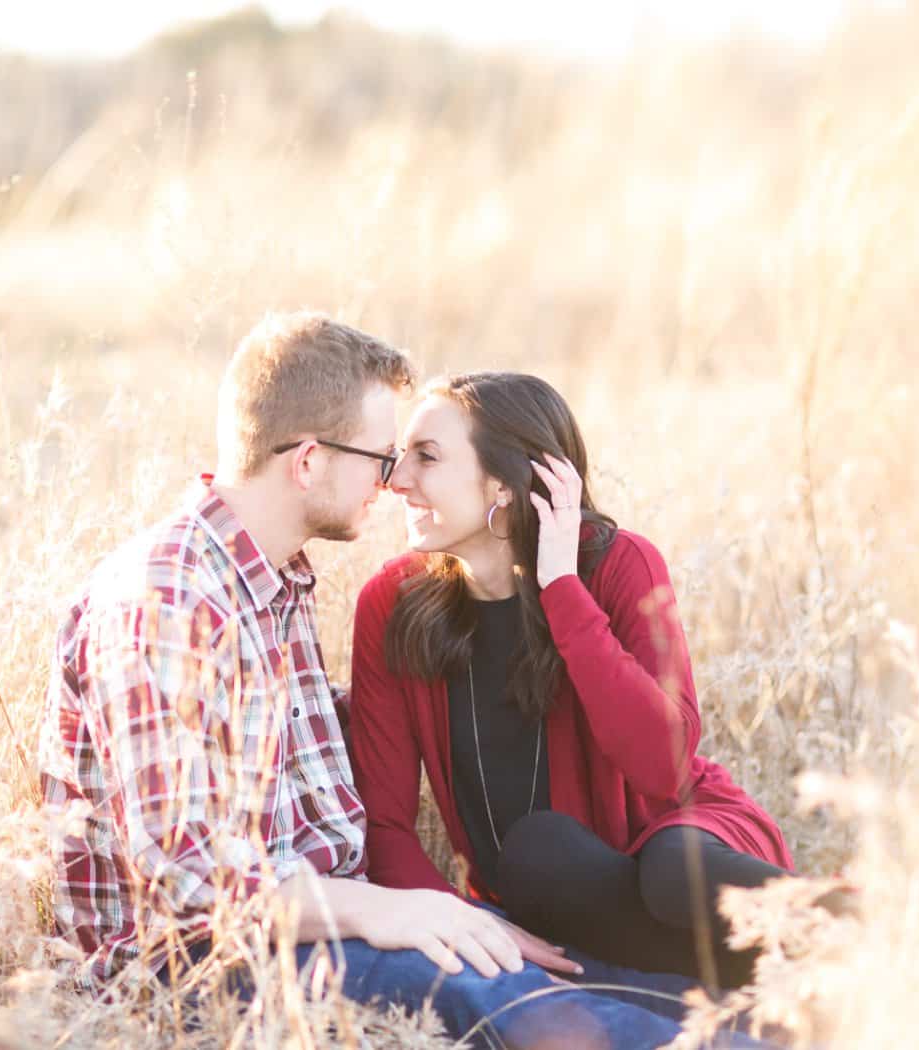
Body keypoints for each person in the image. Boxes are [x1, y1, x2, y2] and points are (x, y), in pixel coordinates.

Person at [39, 318, 769, 1048]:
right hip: (211, 967)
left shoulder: (272, 583)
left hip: (332, 922)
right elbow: (193, 884)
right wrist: (383, 911)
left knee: (638, 989)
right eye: (382, 458)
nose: (391, 482)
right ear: (309, 462)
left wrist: (420, 908)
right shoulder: (169, 600)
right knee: (536, 1006)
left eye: (409, 457)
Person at [348, 371, 797, 992]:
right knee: (537, 855)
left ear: (505, 483)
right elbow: (387, 827)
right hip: (561, 897)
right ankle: (768, 988)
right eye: (402, 457)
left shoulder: (618, 566)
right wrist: (465, 920)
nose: (396, 480)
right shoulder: (392, 606)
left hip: (692, 858)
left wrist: (561, 586)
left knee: (668, 869)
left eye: (426, 457)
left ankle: (866, 933)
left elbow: (665, 768)